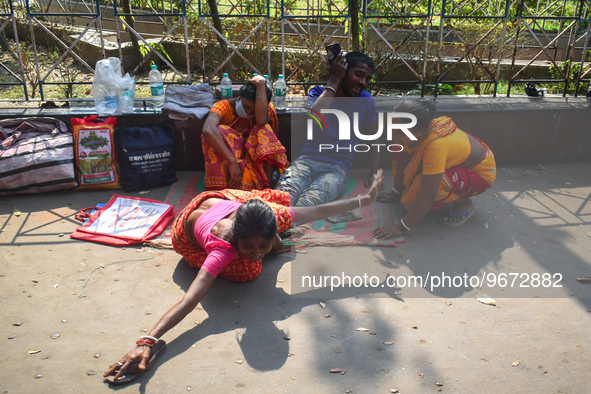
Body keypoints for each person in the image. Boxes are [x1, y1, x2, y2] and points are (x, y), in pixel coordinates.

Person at [104, 170, 384, 383]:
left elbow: (318, 211)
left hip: (222, 203)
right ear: (236, 238)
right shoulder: (222, 250)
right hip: (188, 229)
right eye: (248, 247)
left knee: (274, 213)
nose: (256, 253)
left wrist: (366, 199)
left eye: (263, 246)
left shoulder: (270, 218)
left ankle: (270, 231)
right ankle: (270, 235)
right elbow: (189, 300)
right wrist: (147, 341)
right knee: (248, 272)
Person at [373, 99, 496, 239]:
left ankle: (463, 203)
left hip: (481, 174)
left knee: (419, 193)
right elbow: (402, 158)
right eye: (392, 130)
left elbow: (429, 194)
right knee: (398, 149)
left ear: (419, 131)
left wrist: (401, 227)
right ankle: (406, 194)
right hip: (458, 164)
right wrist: (395, 193)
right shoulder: (422, 130)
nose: (394, 136)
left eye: (400, 133)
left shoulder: (435, 146)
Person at [276, 51, 379, 207]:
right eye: (359, 74)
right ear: (343, 71)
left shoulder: (365, 100)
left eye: (367, 79)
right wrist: (334, 79)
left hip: (337, 168)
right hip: (306, 161)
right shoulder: (318, 93)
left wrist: (374, 172)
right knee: (282, 196)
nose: (363, 82)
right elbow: (315, 119)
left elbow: (374, 136)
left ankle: (283, 228)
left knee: (308, 203)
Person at [201, 75, 289, 191]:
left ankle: (267, 185)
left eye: (253, 111)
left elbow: (262, 121)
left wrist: (261, 84)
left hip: (252, 160)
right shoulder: (222, 106)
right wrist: (232, 162)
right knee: (218, 131)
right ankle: (220, 186)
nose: (247, 113)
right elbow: (208, 129)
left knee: (264, 129)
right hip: (230, 161)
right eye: (246, 106)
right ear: (239, 97)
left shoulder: (264, 110)